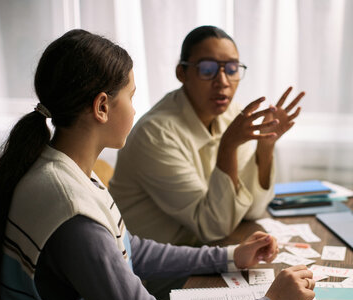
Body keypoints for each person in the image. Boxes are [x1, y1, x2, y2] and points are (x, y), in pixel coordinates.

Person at [0, 29, 315, 300]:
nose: (136, 111)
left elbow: (130, 248)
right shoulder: (69, 205)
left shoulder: (66, 170)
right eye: (132, 97)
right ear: (102, 107)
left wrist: (228, 257)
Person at [109, 25, 305, 246]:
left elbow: (252, 210)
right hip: (164, 272)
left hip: (206, 253)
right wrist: (228, 146)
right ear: (181, 73)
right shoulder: (154, 134)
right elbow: (213, 226)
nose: (222, 81)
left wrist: (265, 146)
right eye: (207, 69)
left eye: (231, 69)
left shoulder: (232, 115)